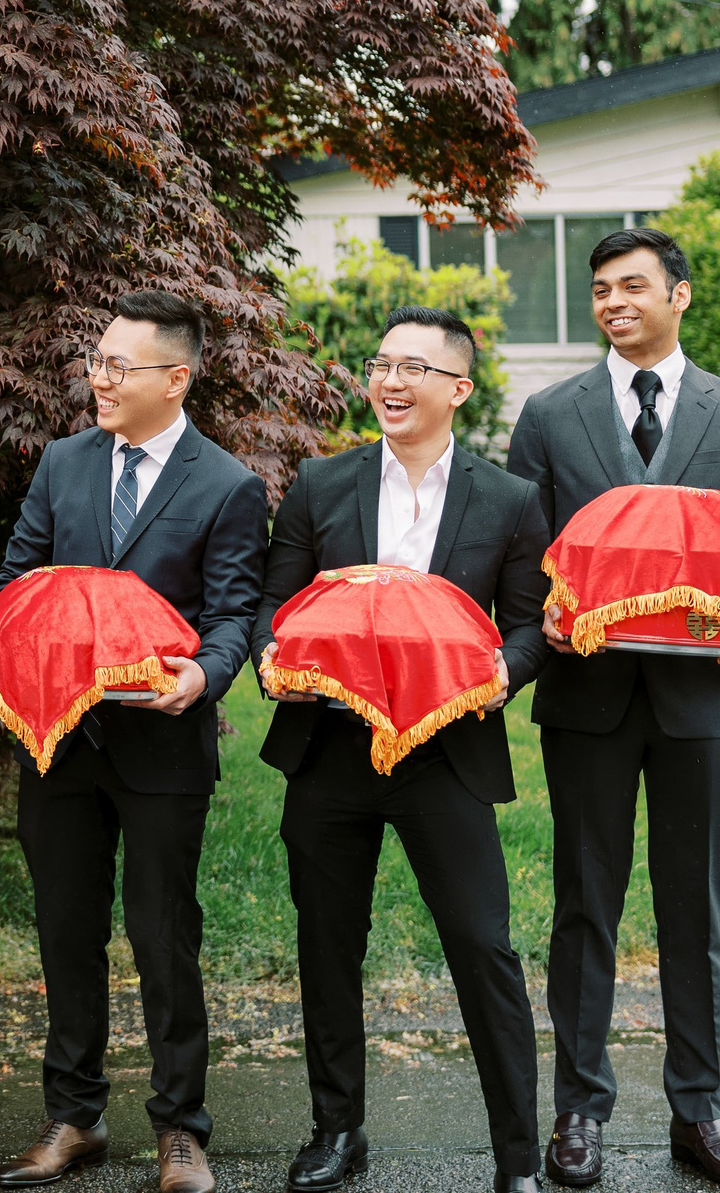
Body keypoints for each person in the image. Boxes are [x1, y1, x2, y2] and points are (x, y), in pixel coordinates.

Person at [507, 228, 720, 1192]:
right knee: (585, 905)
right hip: (585, 701)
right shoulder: (548, 415)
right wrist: (534, 617)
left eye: (634, 286)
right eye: (599, 291)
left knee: (694, 910)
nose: (614, 302)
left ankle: (700, 1112)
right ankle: (580, 1111)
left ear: (681, 294)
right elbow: (527, 558)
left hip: (701, 703)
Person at [249, 307, 551, 1193]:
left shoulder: (508, 499)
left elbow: (532, 624)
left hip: (447, 750)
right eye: (382, 364)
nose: (391, 381)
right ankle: (337, 1131)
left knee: (481, 945)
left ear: (459, 387)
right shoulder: (321, 483)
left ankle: (517, 1156)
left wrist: (506, 671)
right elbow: (278, 603)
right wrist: (273, 662)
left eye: (415, 367)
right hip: (331, 747)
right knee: (328, 944)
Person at [0, 291, 267, 1193]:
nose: (98, 378)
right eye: (97, 361)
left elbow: (230, 616)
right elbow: (17, 578)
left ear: (175, 378)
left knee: (161, 935)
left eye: (119, 365)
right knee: (67, 932)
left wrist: (203, 678)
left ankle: (182, 1128)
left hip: (162, 747)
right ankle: (73, 1117)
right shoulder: (64, 462)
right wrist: (21, 652)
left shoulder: (226, 484)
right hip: (61, 739)